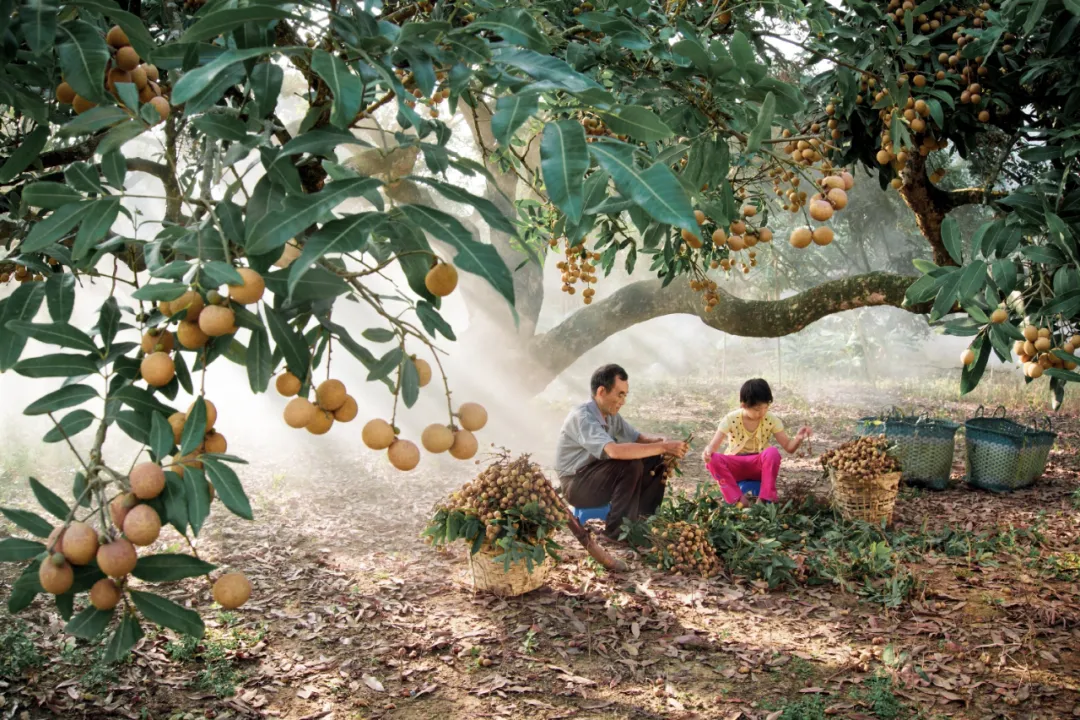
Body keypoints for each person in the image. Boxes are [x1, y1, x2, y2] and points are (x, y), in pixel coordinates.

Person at [555, 364, 689, 538]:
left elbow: (638, 438)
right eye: (619, 394)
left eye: (625, 395)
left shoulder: (611, 415)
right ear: (601, 391)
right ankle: (617, 532)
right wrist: (663, 447)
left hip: (597, 476)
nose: (623, 401)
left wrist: (663, 443)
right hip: (576, 485)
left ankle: (643, 522)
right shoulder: (583, 417)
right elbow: (614, 452)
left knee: (656, 459)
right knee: (629, 465)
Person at [701, 378, 811, 508]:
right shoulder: (731, 419)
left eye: (765, 407)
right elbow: (713, 446)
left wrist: (798, 438)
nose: (762, 412)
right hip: (735, 466)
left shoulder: (771, 420)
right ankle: (737, 498)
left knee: (772, 452)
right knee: (713, 459)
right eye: (757, 409)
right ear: (743, 405)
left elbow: (788, 447)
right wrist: (707, 451)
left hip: (759, 466)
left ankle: (764, 498)